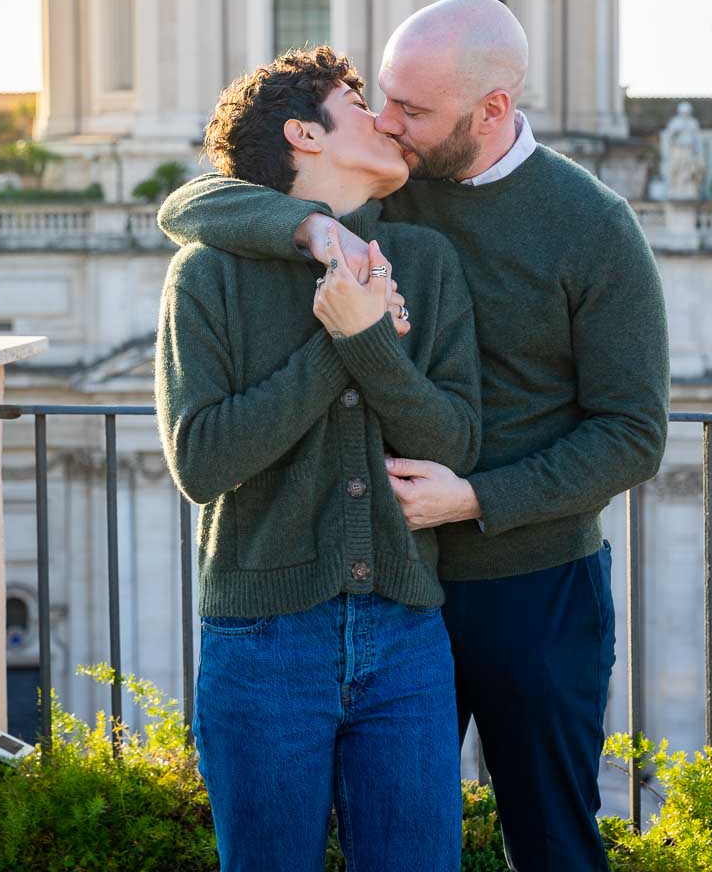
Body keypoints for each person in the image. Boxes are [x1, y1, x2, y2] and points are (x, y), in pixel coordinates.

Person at [158, 0, 671, 872]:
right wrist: (308, 226)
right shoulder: (394, 180)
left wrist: (475, 497)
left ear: (491, 112)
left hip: (528, 580)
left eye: (413, 111)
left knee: (549, 838)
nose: (392, 124)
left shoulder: (592, 226)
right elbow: (199, 198)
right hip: (399, 591)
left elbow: (633, 433)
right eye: (382, 101)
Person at [154, 45, 481, 872]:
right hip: (262, 642)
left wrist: (364, 337)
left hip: (407, 635)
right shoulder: (207, 274)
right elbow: (200, 461)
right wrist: (345, 340)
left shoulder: (429, 264)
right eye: (358, 103)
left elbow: (453, 442)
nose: (386, 121)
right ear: (305, 134)